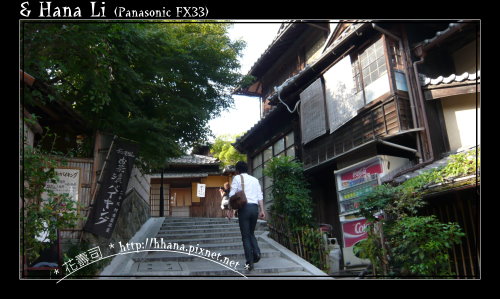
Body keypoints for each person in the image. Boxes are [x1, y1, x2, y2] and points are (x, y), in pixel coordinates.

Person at [229, 161, 266, 272]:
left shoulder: (237, 178)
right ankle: (257, 252)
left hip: (244, 209)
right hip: (254, 208)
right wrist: (262, 210)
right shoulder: (255, 180)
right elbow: (260, 195)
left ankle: (249, 262)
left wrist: (230, 209)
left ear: (237, 170)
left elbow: (232, 195)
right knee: (251, 233)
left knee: (245, 236)